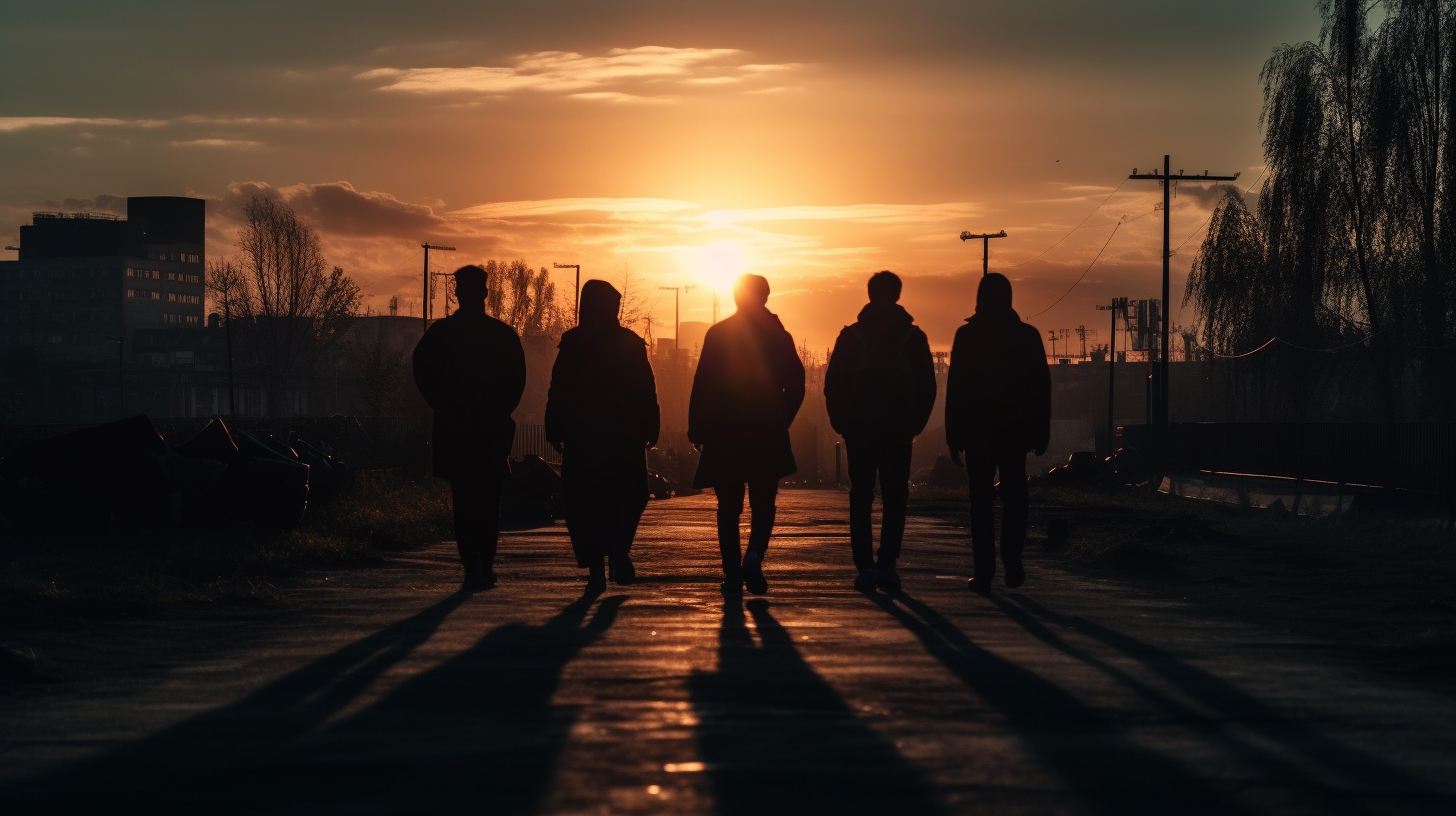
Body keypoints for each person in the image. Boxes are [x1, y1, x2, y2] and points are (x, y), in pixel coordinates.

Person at [689, 274, 805, 595]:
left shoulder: (719, 333)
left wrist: (697, 426)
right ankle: (753, 557)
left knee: (728, 507)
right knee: (763, 503)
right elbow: (796, 384)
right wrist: (781, 418)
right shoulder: (779, 337)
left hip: (724, 433)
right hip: (766, 432)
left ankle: (732, 573)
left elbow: (703, 384)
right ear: (765, 297)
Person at [412, 265, 527, 591]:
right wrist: (501, 410)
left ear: (457, 293)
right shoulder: (503, 336)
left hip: (456, 430)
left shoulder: (441, 334)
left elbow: (420, 368)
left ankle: (471, 564)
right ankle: (485, 563)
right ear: (485, 293)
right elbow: (517, 382)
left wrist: (441, 404)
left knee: (463, 498)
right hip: (491, 431)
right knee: (489, 500)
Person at [545, 279, 660, 593]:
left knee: (587, 503)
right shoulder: (629, 344)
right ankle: (618, 552)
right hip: (623, 438)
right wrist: (651, 425)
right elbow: (646, 390)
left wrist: (555, 427)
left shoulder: (574, 344)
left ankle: (598, 565)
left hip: (585, 440)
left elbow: (558, 391)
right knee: (629, 496)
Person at [824, 271, 936, 593]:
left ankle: (864, 568)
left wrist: (842, 423)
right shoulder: (913, 338)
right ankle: (888, 565)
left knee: (860, 496)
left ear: (869, 294)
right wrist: (914, 426)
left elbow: (834, 385)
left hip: (859, 430)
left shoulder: (851, 336)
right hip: (898, 431)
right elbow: (928, 387)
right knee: (895, 496)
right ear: (898, 296)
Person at [945, 272, 1050, 592]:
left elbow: (956, 389)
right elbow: (1041, 388)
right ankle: (1012, 555)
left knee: (980, 501)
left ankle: (985, 571)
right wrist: (1041, 431)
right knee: (1015, 494)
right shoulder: (1027, 336)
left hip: (977, 431)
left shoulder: (966, 336)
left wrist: (953, 435)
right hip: (1014, 431)